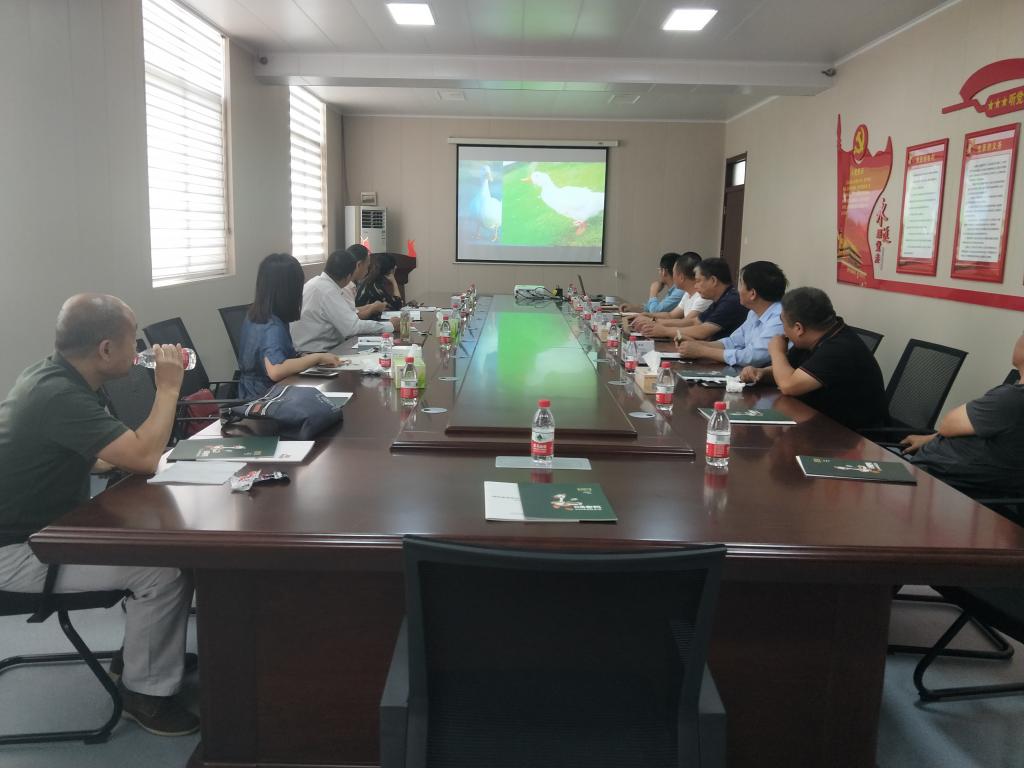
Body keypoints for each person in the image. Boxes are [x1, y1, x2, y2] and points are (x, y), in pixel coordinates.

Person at [0, 294, 197, 736]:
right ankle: (144, 693)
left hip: (44, 529)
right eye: (133, 340)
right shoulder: (58, 395)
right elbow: (144, 458)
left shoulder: (49, 375)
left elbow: (96, 453)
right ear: (106, 349)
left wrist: (120, 454)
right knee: (163, 570)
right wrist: (168, 388)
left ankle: (141, 658)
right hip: (16, 550)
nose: (139, 348)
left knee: (165, 546)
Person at [739, 287, 887, 430]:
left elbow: (789, 385)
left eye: (782, 323)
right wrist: (761, 373)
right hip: (818, 421)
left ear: (798, 328)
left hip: (852, 435)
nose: (783, 331)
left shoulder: (839, 349)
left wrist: (777, 352)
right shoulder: (817, 336)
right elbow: (789, 371)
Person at [899, 332, 1024, 496]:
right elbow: (991, 433)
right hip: (943, 479)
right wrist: (930, 438)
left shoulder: (1011, 399)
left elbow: (947, 425)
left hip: (945, 487)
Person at [238, 253, 340, 400]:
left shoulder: (257, 314)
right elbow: (276, 370)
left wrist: (304, 358)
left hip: (253, 392)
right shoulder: (271, 325)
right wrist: (317, 357)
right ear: (289, 290)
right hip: (265, 398)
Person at [673, 260, 787, 366]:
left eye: (741, 285)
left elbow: (752, 357)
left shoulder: (779, 318)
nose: (738, 290)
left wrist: (702, 351)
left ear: (752, 294)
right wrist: (697, 345)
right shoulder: (753, 313)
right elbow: (733, 342)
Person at [291, 249, 401, 353]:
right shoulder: (328, 291)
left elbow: (350, 313)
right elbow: (353, 327)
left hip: (308, 349)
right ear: (348, 277)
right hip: (319, 353)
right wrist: (389, 325)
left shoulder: (316, 283)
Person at [635, 258, 747, 342]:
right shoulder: (721, 298)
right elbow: (694, 321)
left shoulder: (731, 301)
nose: (695, 286)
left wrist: (664, 330)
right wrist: (654, 321)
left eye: (698, 281)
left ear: (713, 281)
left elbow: (702, 331)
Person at [631, 252, 712, 327]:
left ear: (681, 277)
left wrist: (652, 320)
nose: (672, 277)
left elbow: (685, 323)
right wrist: (647, 315)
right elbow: (670, 315)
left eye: (673, 273)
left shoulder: (702, 297)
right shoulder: (687, 294)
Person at [618, 253, 683, 313]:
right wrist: (633, 308)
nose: (659, 273)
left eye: (659, 269)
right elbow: (652, 308)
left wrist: (653, 292)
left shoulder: (679, 292)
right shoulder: (673, 291)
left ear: (664, 271)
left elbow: (655, 311)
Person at [355, 252, 404, 319]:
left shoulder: (367, 281)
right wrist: (394, 282)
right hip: (366, 322)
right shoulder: (375, 287)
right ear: (391, 270)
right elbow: (398, 305)